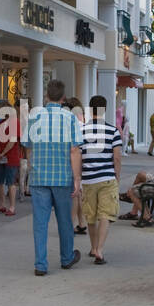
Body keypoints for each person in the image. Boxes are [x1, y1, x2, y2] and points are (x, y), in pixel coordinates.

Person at [23, 79, 84, 275]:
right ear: (63, 98)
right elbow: (75, 150)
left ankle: (40, 264)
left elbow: (27, 145)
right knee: (65, 220)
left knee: (40, 223)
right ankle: (66, 257)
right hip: (62, 177)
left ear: (46, 96)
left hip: (39, 178)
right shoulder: (70, 118)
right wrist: (77, 179)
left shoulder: (34, 117)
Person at [81, 95, 122, 265]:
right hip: (106, 178)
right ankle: (100, 249)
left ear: (90, 110)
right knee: (105, 214)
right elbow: (117, 158)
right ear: (104, 110)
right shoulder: (113, 131)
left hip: (88, 179)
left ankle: (92, 247)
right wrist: (117, 179)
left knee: (91, 216)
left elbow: (78, 156)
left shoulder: (81, 131)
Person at [0, 101, 20, 216]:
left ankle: (12, 206)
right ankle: (1, 204)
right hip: (1, 157)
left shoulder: (14, 122)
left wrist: (2, 153)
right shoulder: (1, 123)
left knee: (11, 182)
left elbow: (12, 141)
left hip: (11, 157)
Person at [67, 98, 88, 234]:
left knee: (74, 193)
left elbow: (73, 148)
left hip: (75, 160)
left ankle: (71, 223)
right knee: (78, 193)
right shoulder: (83, 124)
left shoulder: (73, 124)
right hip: (84, 160)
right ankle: (81, 222)